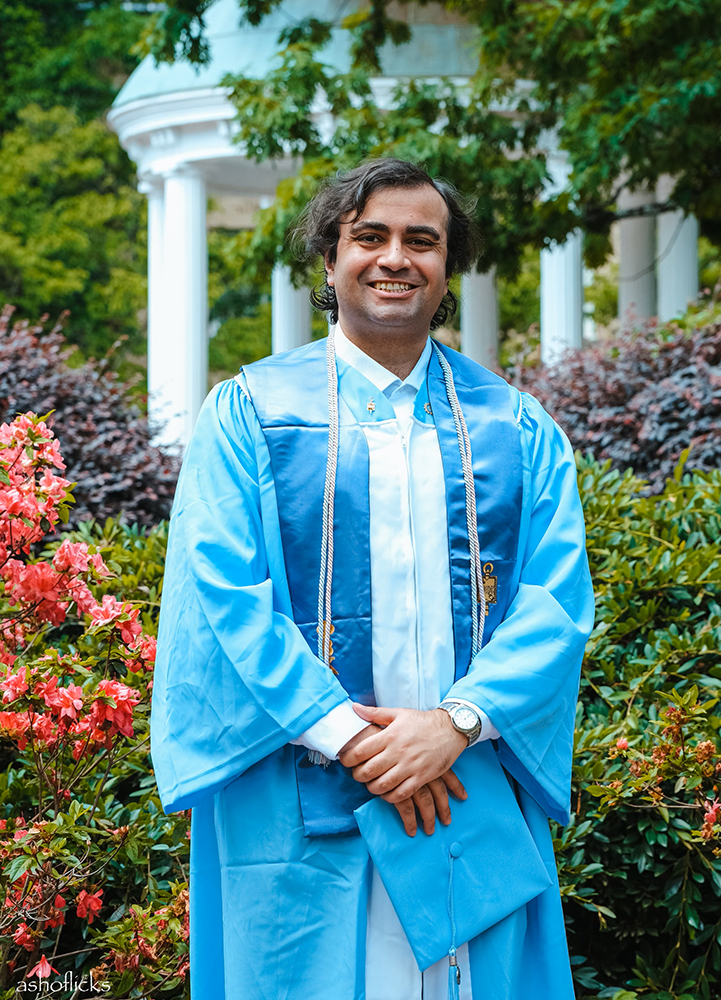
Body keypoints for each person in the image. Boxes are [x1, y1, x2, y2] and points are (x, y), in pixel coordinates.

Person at [151, 157, 594, 1000]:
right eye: (371, 237)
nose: (396, 257)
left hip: (466, 783)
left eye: (421, 241)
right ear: (330, 259)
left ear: (446, 268)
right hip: (299, 795)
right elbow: (226, 601)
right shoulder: (248, 415)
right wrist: (352, 739)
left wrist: (454, 726)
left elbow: (556, 604)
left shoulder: (515, 426)